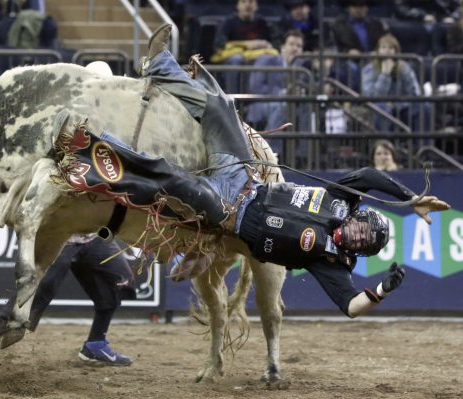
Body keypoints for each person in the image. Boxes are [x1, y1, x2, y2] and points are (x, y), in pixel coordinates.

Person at [114, 24, 450, 317]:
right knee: (221, 106)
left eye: (362, 242)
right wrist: (410, 199)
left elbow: (350, 307)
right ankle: (160, 63)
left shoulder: (331, 263)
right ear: (358, 218)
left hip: (227, 213)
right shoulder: (341, 201)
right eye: (362, 229)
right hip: (245, 177)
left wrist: (380, 291)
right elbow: (370, 176)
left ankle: (105, 154)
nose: (356, 235)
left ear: (356, 252)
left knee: (169, 177)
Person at [0, 235, 135, 368]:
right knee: (38, 290)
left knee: (118, 280)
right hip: (58, 236)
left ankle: (95, 344)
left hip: (94, 235)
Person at [245, 29, 306, 154]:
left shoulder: (302, 68)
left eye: (299, 46)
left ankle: (304, 156)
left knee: (309, 108)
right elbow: (255, 87)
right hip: (261, 104)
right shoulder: (267, 60)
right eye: (291, 44)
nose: (295, 49)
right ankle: (269, 154)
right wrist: (282, 93)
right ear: (282, 47)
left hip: (292, 107)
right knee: (282, 106)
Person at [361, 33, 431, 133]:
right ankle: (384, 145)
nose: (387, 51)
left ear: (396, 51)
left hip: (402, 108)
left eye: (390, 48)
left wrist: (396, 105)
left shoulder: (405, 68)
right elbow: (370, 96)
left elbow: (414, 94)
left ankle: (422, 147)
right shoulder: (369, 70)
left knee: (424, 108)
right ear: (378, 50)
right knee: (382, 108)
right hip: (378, 109)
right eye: (383, 47)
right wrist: (385, 75)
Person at [211, 0, 274, 93]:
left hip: (256, 58)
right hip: (234, 60)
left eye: (251, 2)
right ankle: (232, 101)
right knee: (236, 59)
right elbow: (219, 45)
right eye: (243, 2)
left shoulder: (262, 23)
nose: (247, 5)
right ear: (237, 6)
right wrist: (247, 45)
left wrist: (267, 45)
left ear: (256, 6)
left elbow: (273, 44)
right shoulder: (228, 22)